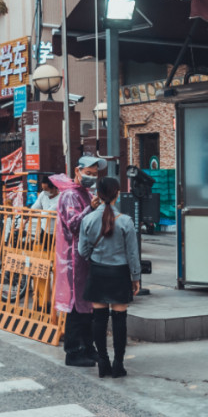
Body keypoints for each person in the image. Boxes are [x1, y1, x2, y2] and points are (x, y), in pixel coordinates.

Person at [78, 177, 141, 378]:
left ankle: (102, 362)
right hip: (120, 273)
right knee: (119, 319)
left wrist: (94, 257)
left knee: (99, 319)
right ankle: (118, 365)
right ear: (118, 193)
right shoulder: (125, 221)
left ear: (98, 194)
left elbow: (82, 250)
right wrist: (135, 277)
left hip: (97, 271)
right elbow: (132, 254)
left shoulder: (87, 219)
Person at [51, 156, 106, 367]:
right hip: (74, 260)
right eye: (88, 173)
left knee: (87, 306)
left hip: (86, 258)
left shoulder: (86, 194)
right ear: (77, 170)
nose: (91, 178)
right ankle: (73, 351)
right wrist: (90, 209)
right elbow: (73, 225)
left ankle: (88, 348)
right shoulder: (70, 196)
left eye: (95, 174)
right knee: (76, 307)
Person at [30, 175, 60, 241]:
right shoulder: (43, 194)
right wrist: (33, 211)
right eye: (43, 189)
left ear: (54, 188)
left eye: (46, 189)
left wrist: (37, 213)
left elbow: (48, 213)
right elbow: (34, 208)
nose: (44, 191)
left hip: (56, 232)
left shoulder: (60, 199)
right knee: (44, 250)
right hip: (44, 229)